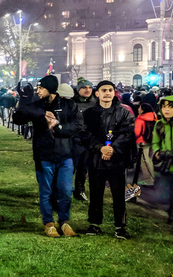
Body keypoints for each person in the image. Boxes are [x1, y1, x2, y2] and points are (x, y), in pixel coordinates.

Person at [12, 75, 83, 237]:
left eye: (40, 88)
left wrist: (58, 126)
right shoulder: (36, 106)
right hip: (44, 155)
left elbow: (78, 125)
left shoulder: (68, 105)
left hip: (65, 155)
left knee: (65, 191)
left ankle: (64, 222)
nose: (38, 91)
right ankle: (49, 223)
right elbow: (17, 119)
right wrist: (25, 100)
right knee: (46, 192)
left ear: (50, 89)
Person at [83, 80, 136, 239]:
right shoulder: (89, 114)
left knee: (119, 194)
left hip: (117, 161)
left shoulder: (125, 113)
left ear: (114, 93)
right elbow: (85, 134)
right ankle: (94, 224)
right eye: (104, 90)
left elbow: (127, 134)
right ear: (97, 93)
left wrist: (112, 149)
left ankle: (120, 226)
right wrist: (100, 148)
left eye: (110, 90)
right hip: (96, 160)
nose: (107, 93)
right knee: (95, 192)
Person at [72, 80, 96, 201]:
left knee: (83, 168)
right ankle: (63, 190)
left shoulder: (95, 104)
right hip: (74, 140)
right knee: (70, 167)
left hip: (89, 141)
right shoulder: (71, 103)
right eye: (84, 88)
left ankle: (79, 190)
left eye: (89, 87)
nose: (87, 90)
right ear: (78, 90)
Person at [151, 95, 173, 224]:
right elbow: (155, 142)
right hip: (166, 163)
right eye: (164, 106)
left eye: (170, 107)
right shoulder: (160, 124)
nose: (166, 110)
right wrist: (158, 153)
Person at [133, 102, 157, 188]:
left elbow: (136, 133)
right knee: (149, 160)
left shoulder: (140, 120)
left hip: (141, 143)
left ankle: (148, 180)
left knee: (144, 161)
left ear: (143, 110)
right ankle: (150, 177)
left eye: (139, 108)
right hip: (151, 142)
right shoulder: (154, 118)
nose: (138, 109)